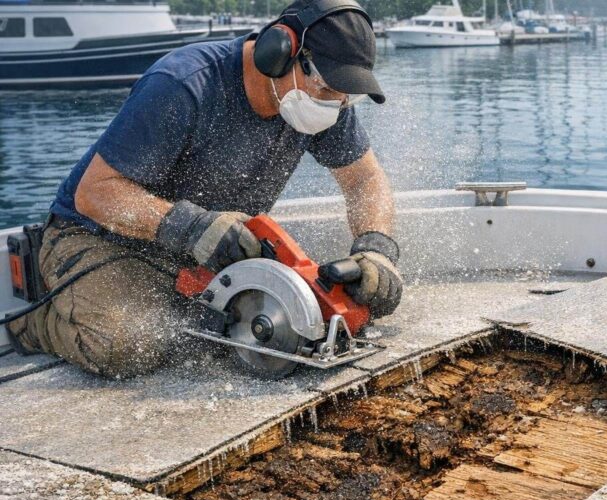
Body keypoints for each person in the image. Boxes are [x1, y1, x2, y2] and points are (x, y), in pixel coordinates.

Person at [5, 0, 401, 379]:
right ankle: (35, 321)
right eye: (328, 88)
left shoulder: (326, 104)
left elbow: (365, 180)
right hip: (99, 235)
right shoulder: (183, 84)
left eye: (346, 94)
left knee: (278, 328)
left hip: (205, 242)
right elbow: (95, 194)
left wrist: (375, 248)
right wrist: (191, 227)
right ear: (279, 52)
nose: (336, 102)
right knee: (129, 346)